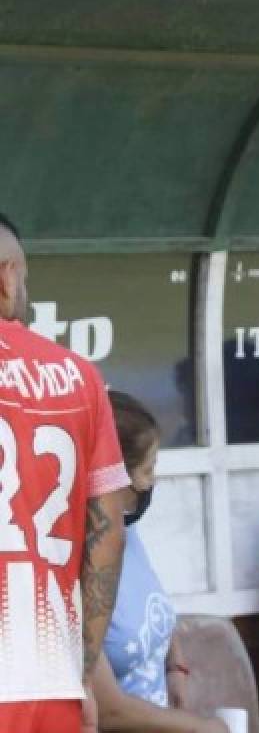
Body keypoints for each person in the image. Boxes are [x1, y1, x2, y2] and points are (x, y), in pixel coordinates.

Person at [0, 212, 127, 732]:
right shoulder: (78, 376)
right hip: (48, 677)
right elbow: (107, 533)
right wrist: (83, 670)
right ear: (7, 276)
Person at [95, 390, 228, 732]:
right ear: (113, 476)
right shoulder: (73, 568)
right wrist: (202, 728)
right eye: (148, 469)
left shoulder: (126, 531)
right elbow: (108, 712)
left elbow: (154, 612)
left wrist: (175, 668)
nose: (152, 481)